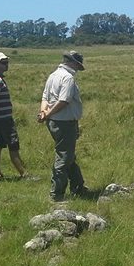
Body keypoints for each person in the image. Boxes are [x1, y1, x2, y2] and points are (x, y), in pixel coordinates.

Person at [37, 51, 87, 202]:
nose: (78, 69)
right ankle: (56, 194)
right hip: (65, 122)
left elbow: (45, 97)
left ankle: (78, 187)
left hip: (54, 122)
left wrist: (44, 112)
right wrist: (49, 113)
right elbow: (63, 101)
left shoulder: (53, 75)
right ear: (73, 63)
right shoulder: (68, 78)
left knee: (68, 155)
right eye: (78, 66)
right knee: (64, 156)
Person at [0, 52, 29, 182]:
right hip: (4, 119)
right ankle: (24, 174)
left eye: (7, 62)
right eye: (3, 63)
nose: (6, 65)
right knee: (13, 145)